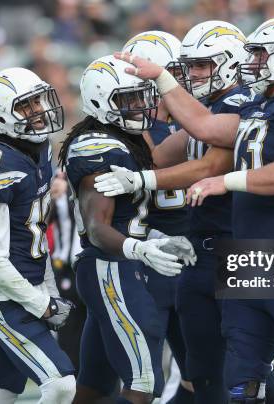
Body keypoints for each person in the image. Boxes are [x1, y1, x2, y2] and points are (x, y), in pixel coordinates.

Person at [112, 16, 274, 403]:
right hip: (244, 258)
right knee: (243, 380)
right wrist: (161, 78)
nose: (250, 62)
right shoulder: (260, 107)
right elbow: (202, 125)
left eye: (259, 53)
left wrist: (225, 181)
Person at [95, 21, 251, 404]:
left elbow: (208, 164)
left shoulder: (240, 105)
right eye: (186, 68)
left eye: (199, 67)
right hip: (193, 251)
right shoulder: (199, 114)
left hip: (246, 247)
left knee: (267, 370)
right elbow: (164, 153)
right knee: (201, 375)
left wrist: (139, 179)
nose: (191, 77)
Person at [57, 55, 196, 404]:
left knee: (93, 386)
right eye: (127, 99)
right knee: (144, 381)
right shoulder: (97, 146)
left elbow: (127, 217)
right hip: (111, 267)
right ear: (100, 102)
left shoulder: (123, 139)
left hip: (114, 266)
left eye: (139, 97)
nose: (138, 106)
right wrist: (139, 249)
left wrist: (155, 240)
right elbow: (97, 227)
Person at [0, 67, 76, 404]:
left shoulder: (39, 148)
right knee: (60, 384)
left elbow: (35, 231)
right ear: (3, 112)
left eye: (40, 101)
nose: (40, 111)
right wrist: (41, 303)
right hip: (0, 295)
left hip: (26, 282)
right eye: (28, 106)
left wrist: (48, 288)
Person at [122, 30, 194, 404]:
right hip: (149, 255)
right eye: (175, 71)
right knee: (141, 380)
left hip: (187, 252)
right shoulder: (136, 128)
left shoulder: (190, 119)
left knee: (200, 374)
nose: (184, 79)